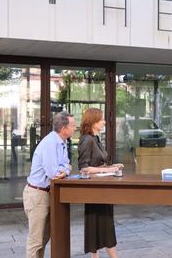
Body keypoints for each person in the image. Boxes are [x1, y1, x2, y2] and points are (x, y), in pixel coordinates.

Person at [22, 111, 76, 258]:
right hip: (37, 194)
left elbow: (66, 165)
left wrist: (65, 170)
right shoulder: (50, 143)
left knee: (44, 238)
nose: (75, 128)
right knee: (36, 240)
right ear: (64, 128)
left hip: (47, 193)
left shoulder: (62, 142)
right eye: (73, 125)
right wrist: (65, 170)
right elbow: (53, 173)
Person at [78, 108, 123, 258]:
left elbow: (98, 165)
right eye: (101, 119)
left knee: (103, 223)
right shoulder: (87, 140)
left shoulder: (95, 139)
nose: (104, 122)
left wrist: (111, 167)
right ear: (93, 122)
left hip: (101, 188)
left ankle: (96, 256)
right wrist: (105, 170)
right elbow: (83, 168)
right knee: (99, 223)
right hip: (94, 190)